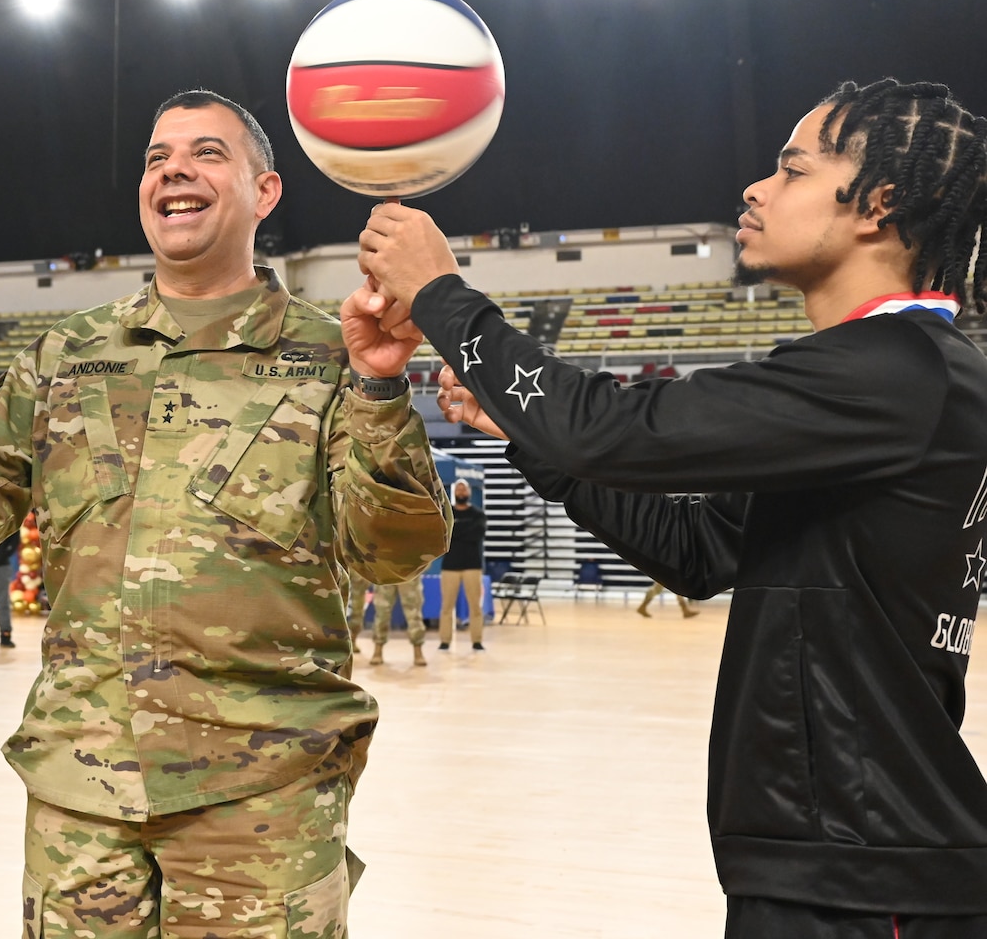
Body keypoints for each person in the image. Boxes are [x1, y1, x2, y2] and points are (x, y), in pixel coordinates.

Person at [358, 79, 987, 935]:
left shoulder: (892, 371)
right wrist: (524, 434)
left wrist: (441, 296)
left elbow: (608, 430)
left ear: (876, 204)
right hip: (827, 859)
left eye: (791, 170)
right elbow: (693, 549)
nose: (756, 189)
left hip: (867, 876)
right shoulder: (891, 374)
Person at [0, 90, 450, 936]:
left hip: (262, 794)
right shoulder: (65, 356)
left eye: (205, 154)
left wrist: (379, 388)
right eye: (157, 158)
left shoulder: (329, 354)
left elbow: (389, 554)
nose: (173, 173)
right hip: (80, 794)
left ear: (264, 192)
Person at [439, 479, 487, 651]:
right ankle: (445, 640)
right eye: (458, 489)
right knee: (446, 606)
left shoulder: (478, 514)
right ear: (454, 492)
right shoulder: (447, 514)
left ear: (469, 493)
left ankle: (477, 640)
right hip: (450, 566)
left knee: (475, 606)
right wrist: (464, 530)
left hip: (472, 566)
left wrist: (457, 531)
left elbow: (477, 533)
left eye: (464, 489)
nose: (461, 492)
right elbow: (444, 534)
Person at [368, 575, 427, 666]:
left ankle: (418, 650)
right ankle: (378, 649)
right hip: (384, 570)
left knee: (414, 612)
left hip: (409, 570)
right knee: (382, 611)